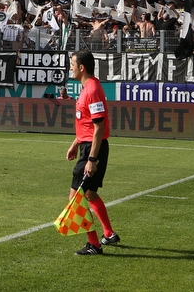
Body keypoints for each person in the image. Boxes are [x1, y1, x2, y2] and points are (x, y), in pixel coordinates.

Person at [64, 49, 118, 255]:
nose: (71, 67)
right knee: (89, 193)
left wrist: (92, 158)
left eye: (72, 63)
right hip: (87, 147)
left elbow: (98, 127)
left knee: (74, 199)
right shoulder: (88, 87)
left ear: (82, 67)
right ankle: (109, 233)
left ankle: (94, 244)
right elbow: (87, 124)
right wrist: (75, 143)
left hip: (93, 150)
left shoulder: (92, 89)